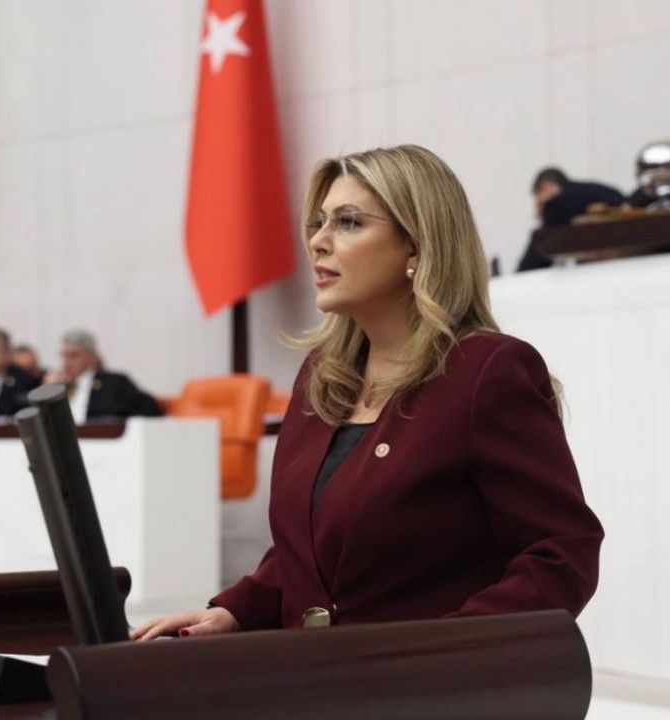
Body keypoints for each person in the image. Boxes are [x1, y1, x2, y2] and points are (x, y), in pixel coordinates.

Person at [133, 145, 603, 640]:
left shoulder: (486, 371)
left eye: (349, 222)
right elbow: (312, 553)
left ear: (415, 246)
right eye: (319, 223)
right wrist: (236, 611)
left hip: (427, 678)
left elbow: (561, 551)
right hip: (312, 673)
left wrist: (446, 653)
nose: (318, 242)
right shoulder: (321, 377)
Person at [517, 167, 626, 272]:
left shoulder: (557, 204)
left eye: (538, 200)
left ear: (546, 186)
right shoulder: (589, 191)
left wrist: (520, 277)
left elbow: (542, 247)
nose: (539, 207)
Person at [43, 330, 163, 423]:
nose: (66, 362)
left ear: (91, 357)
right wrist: (49, 390)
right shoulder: (57, 384)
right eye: (63, 355)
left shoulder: (115, 382)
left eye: (73, 356)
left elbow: (150, 408)